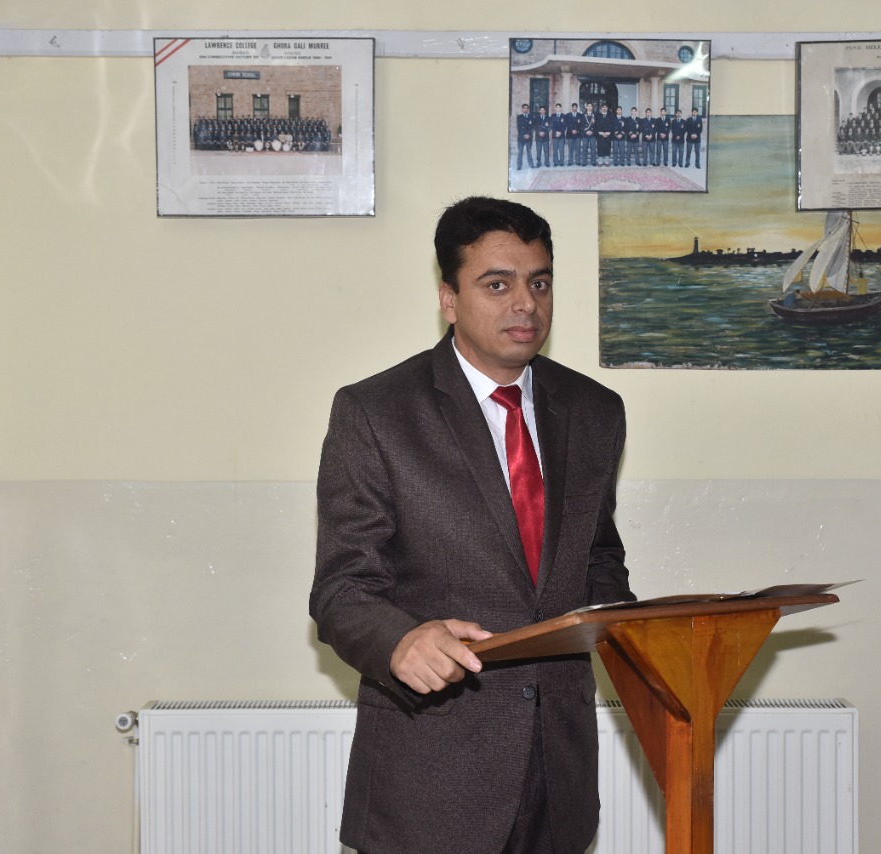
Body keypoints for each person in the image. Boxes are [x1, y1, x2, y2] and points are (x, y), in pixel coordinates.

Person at [310, 196, 635, 854]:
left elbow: (598, 558)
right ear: (448, 299)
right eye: (497, 284)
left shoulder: (596, 411)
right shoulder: (375, 413)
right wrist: (399, 641)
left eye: (539, 282)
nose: (526, 305)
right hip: (432, 779)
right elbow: (342, 590)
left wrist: (641, 633)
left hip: (559, 776)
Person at [515, 103, 534, 170]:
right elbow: (519, 128)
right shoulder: (519, 117)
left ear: (528, 109)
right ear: (522, 109)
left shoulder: (531, 117)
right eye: (524, 108)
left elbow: (532, 127)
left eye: (527, 108)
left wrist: (528, 134)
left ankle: (531, 164)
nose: (525, 109)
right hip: (521, 138)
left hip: (529, 137)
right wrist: (524, 134)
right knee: (520, 152)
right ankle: (519, 166)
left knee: (529, 151)